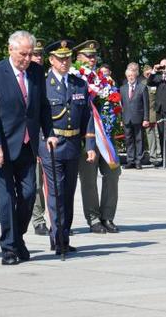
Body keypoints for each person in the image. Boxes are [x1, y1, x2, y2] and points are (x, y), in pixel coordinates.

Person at [0, 30, 57, 265]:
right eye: (23, 54)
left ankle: (17, 238)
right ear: (10, 49)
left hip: (27, 145)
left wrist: (50, 133)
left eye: (30, 54)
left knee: (27, 195)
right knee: (6, 199)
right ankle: (9, 248)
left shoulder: (36, 72)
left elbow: (42, 106)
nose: (27, 59)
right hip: (1, 147)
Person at [38, 40, 96, 253]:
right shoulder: (43, 85)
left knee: (69, 192)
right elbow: (36, 118)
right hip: (52, 146)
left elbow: (87, 117)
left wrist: (89, 145)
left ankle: (64, 234)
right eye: (60, 58)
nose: (64, 62)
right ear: (51, 60)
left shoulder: (78, 84)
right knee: (56, 193)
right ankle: (58, 238)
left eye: (67, 58)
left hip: (72, 145)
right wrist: (40, 144)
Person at [74, 40, 122, 235]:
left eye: (94, 56)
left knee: (113, 173)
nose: (92, 59)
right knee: (89, 179)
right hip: (87, 138)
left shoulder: (103, 79)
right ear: (78, 58)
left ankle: (107, 216)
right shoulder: (75, 77)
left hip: (106, 136)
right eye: (88, 56)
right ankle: (93, 218)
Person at [30, 39, 49, 236]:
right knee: (36, 183)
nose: (37, 58)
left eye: (40, 55)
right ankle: (38, 219)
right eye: (35, 54)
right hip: (33, 139)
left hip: (50, 137)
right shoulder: (27, 79)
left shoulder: (48, 78)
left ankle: (56, 219)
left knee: (53, 183)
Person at [120, 68, 149, 169]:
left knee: (139, 139)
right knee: (128, 140)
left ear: (136, 75)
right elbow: (121, 105)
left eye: (132, 75)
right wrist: (121, 119)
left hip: (139, 118)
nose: (130, 77)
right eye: (128, 76)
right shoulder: (122, 88)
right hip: (126, 118)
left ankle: (138, 161)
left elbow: (146, 105)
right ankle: (130, 160)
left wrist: (146, 119)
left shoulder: (142, 87)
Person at [141, 65, 162, 163]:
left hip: (157, 112)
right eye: (147, 74)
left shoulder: (156, 82)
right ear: (144, 74)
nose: (149, 75)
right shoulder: (142, 84)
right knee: (150, 135)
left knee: (158, 134)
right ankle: (153, 156)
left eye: (150, 73)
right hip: (147, 112)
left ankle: (159, 154)